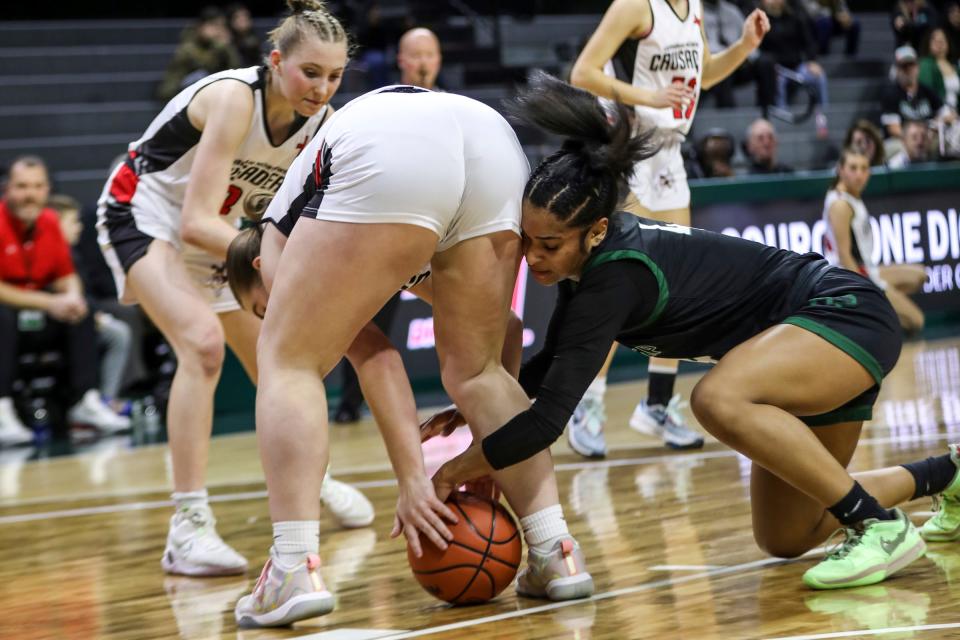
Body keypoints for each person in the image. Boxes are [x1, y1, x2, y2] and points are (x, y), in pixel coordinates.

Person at [427, 72, 960, 592]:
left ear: (596, 231)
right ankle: (947, 475)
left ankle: (879, 527)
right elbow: (553, 365)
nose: (533, 256)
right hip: (803, 345)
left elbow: (547, 423)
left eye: (549, 244)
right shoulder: (586, 269)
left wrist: (455, 470)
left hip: (841, 313)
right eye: (528, 240)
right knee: (787, 535)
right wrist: (487, 405)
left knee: (716, 398)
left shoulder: (614, 277)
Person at [230, 85, 594, 628]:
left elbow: (375, 356)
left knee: (287, 359)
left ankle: (292, 567)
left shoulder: (278, 243)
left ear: (258, 270)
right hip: (492, 141)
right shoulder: (341, 222)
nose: (270, 311)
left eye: (260, 307)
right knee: (477, 370)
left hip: (393, 148)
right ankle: (553, 549)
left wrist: (412, 481)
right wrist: (491, 447)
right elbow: (509, 332)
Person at [96, 0, 374, 579]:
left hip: (221, 239)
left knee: (282, 357)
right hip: (144, 215)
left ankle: (312, 479)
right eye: (310, 72)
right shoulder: (231, 99)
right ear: (275, 61)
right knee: (201, 345)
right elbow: (196, 220)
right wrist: (279, 264)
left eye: (335, 76)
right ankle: (187, 527)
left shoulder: (321, 126)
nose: (323, 88)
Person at [568, 0, 770, 458]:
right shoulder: (635, 6)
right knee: (623, 284)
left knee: (681, 287)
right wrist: (649, 98)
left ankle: (656, 405)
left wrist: (743, 46)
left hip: (669, 154)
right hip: (629, 149)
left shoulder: (693, 8)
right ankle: (587, 404)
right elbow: (584, 73)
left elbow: (703, 77)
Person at [0, 157, 130, 444]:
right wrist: (49, 303)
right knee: (2, 316)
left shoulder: (48, 221)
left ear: (47, 189)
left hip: (36, 320)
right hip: (9, 320)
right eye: (21, 186)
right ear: (8, 188)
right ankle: (2, 409)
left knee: (78, 310)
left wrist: (71, 296)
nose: (29, 194)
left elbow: (66, 274)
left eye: (37, 186)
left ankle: (85, 401)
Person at [822, 147, 926, 333]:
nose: (859, 174)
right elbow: (844, 255)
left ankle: (880, 313)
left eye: (864, 168)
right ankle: (864, 316)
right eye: (853, 168)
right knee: (916, 321)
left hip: (868, 270)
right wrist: (864, 292)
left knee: (918, 276)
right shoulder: (840, 204)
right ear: (841, 170)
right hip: (851, 278)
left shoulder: (851, 195)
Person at [50, 194, 134, 412]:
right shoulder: (53, 254)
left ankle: (105, 398)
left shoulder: (74, 253)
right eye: (72, 222)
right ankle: (97, 400)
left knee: (117, 329)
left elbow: (84, 292)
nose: (79, 228)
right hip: (57, 319)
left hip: (84, 313)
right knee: (117, 333)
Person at [157, 7, 241, 101]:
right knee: (201, 75)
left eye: (221, 26)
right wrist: (221, 46)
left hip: (207, 94)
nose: (217, 30)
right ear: (201, 26)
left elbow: (235, 68)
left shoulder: (219, 47)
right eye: (213, 25)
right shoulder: (188, 45)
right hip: (178, 93)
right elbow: (203, 66)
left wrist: (228, 47)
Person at [880, 45, 954, 141]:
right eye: (904, 66)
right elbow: (894, 130)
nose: (908, 70)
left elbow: (949, 115)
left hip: (928, 139)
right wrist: (917, 139)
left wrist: (937, 123)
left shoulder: (927, 91)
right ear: (897, 70)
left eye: (911, 64)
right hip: (902, 142)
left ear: (917, 67)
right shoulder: (890, 95)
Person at [919, 27, 959, 110]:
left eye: (942, 40)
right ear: (928, 43)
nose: (939, 43)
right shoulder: (925, 65)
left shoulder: (955, 66)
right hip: (938, 112)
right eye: (935, 40)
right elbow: (926, 91)